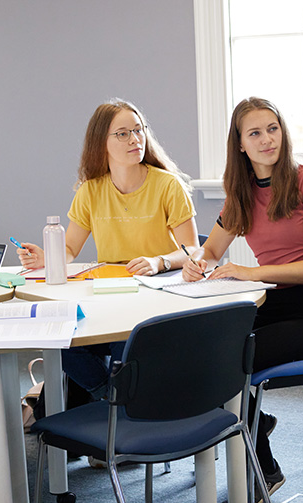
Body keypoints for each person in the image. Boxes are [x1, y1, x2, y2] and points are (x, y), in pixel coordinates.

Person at [181, 97, 303, 503]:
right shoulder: (240, 193)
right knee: (202, 349)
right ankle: (257, 421)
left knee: (230, 358)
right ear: (240, 144)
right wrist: (193, 263)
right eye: (255, 132)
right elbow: (210, 252)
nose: (267, 139)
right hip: (274, 303)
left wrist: (251, 272)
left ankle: (264, 471)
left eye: (273, 128)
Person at [16, 98, 200, 407]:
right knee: (57, 337)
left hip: (155, 294)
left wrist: (159, 261)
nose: (135, 139)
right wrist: (46, 258)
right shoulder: (91, 190)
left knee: (124, 342)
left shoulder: (168, 185)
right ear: (101, 142)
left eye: (139, 130)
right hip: (109, 292)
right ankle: (112, 400)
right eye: (123, 133)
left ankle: (117, 419)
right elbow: (71, 248)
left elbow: (193, 249)